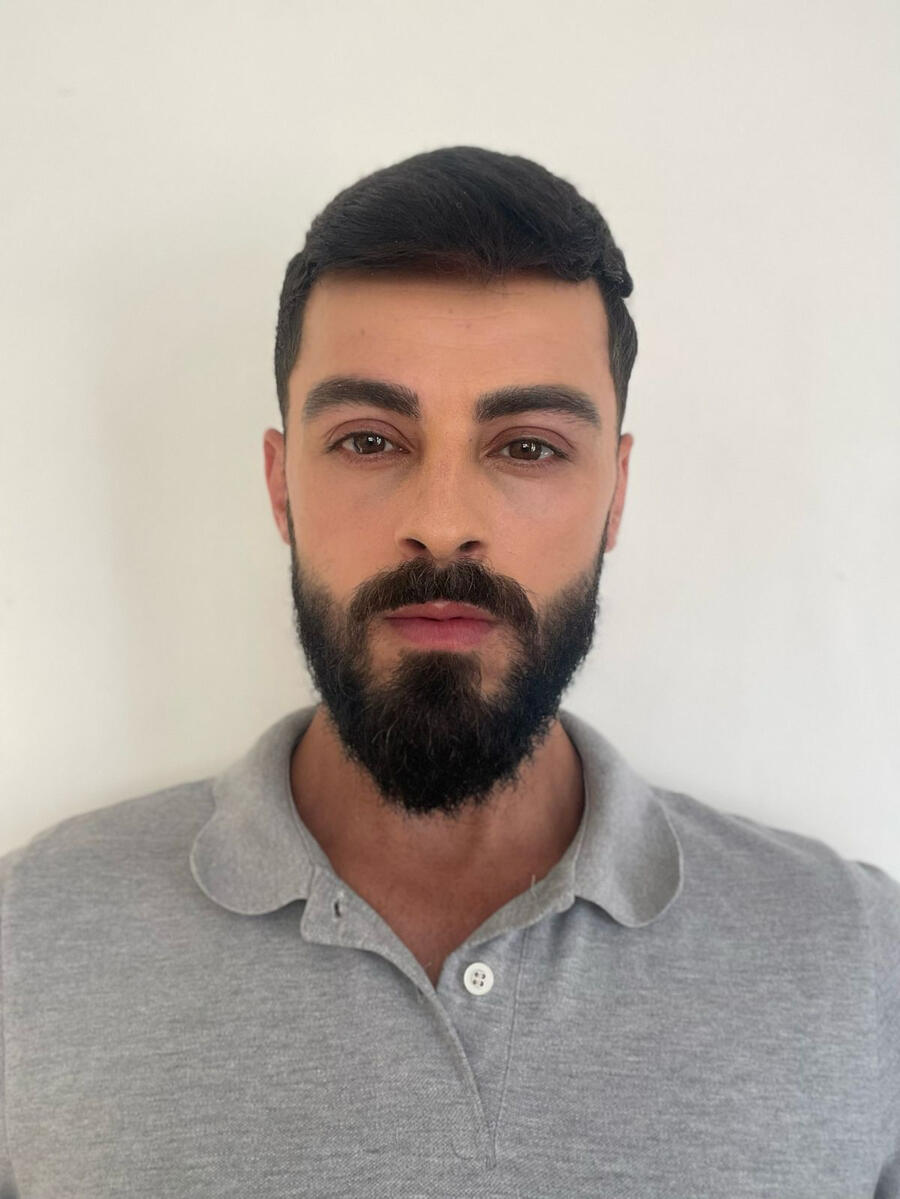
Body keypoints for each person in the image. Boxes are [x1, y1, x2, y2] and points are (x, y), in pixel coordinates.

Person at [1, 146, 897, 1198]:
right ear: (281, 486)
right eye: (369, 440)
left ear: (615, 496)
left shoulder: (858, 961)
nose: (442, 522)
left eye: (528, 447)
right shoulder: (27, 944)